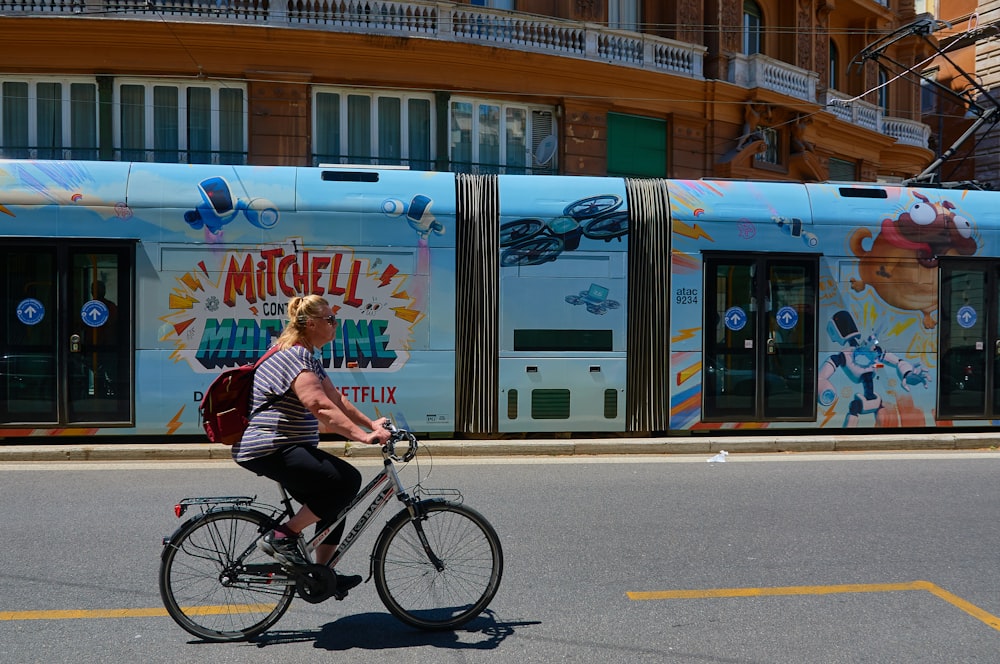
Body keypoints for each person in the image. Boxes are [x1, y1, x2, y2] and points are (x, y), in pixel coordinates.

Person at [233, 294, 391, 596]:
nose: (335, 325)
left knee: (333, 503)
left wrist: (370, 424)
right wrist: (362, 438)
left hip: (283, 445)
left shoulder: (306, 357)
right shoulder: (293, 356)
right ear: (309, 324)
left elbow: (335, 398)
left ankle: (323, 574)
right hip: (271, 446)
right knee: (346, 481)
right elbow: (318, 405)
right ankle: (281, 536)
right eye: (330, 320)